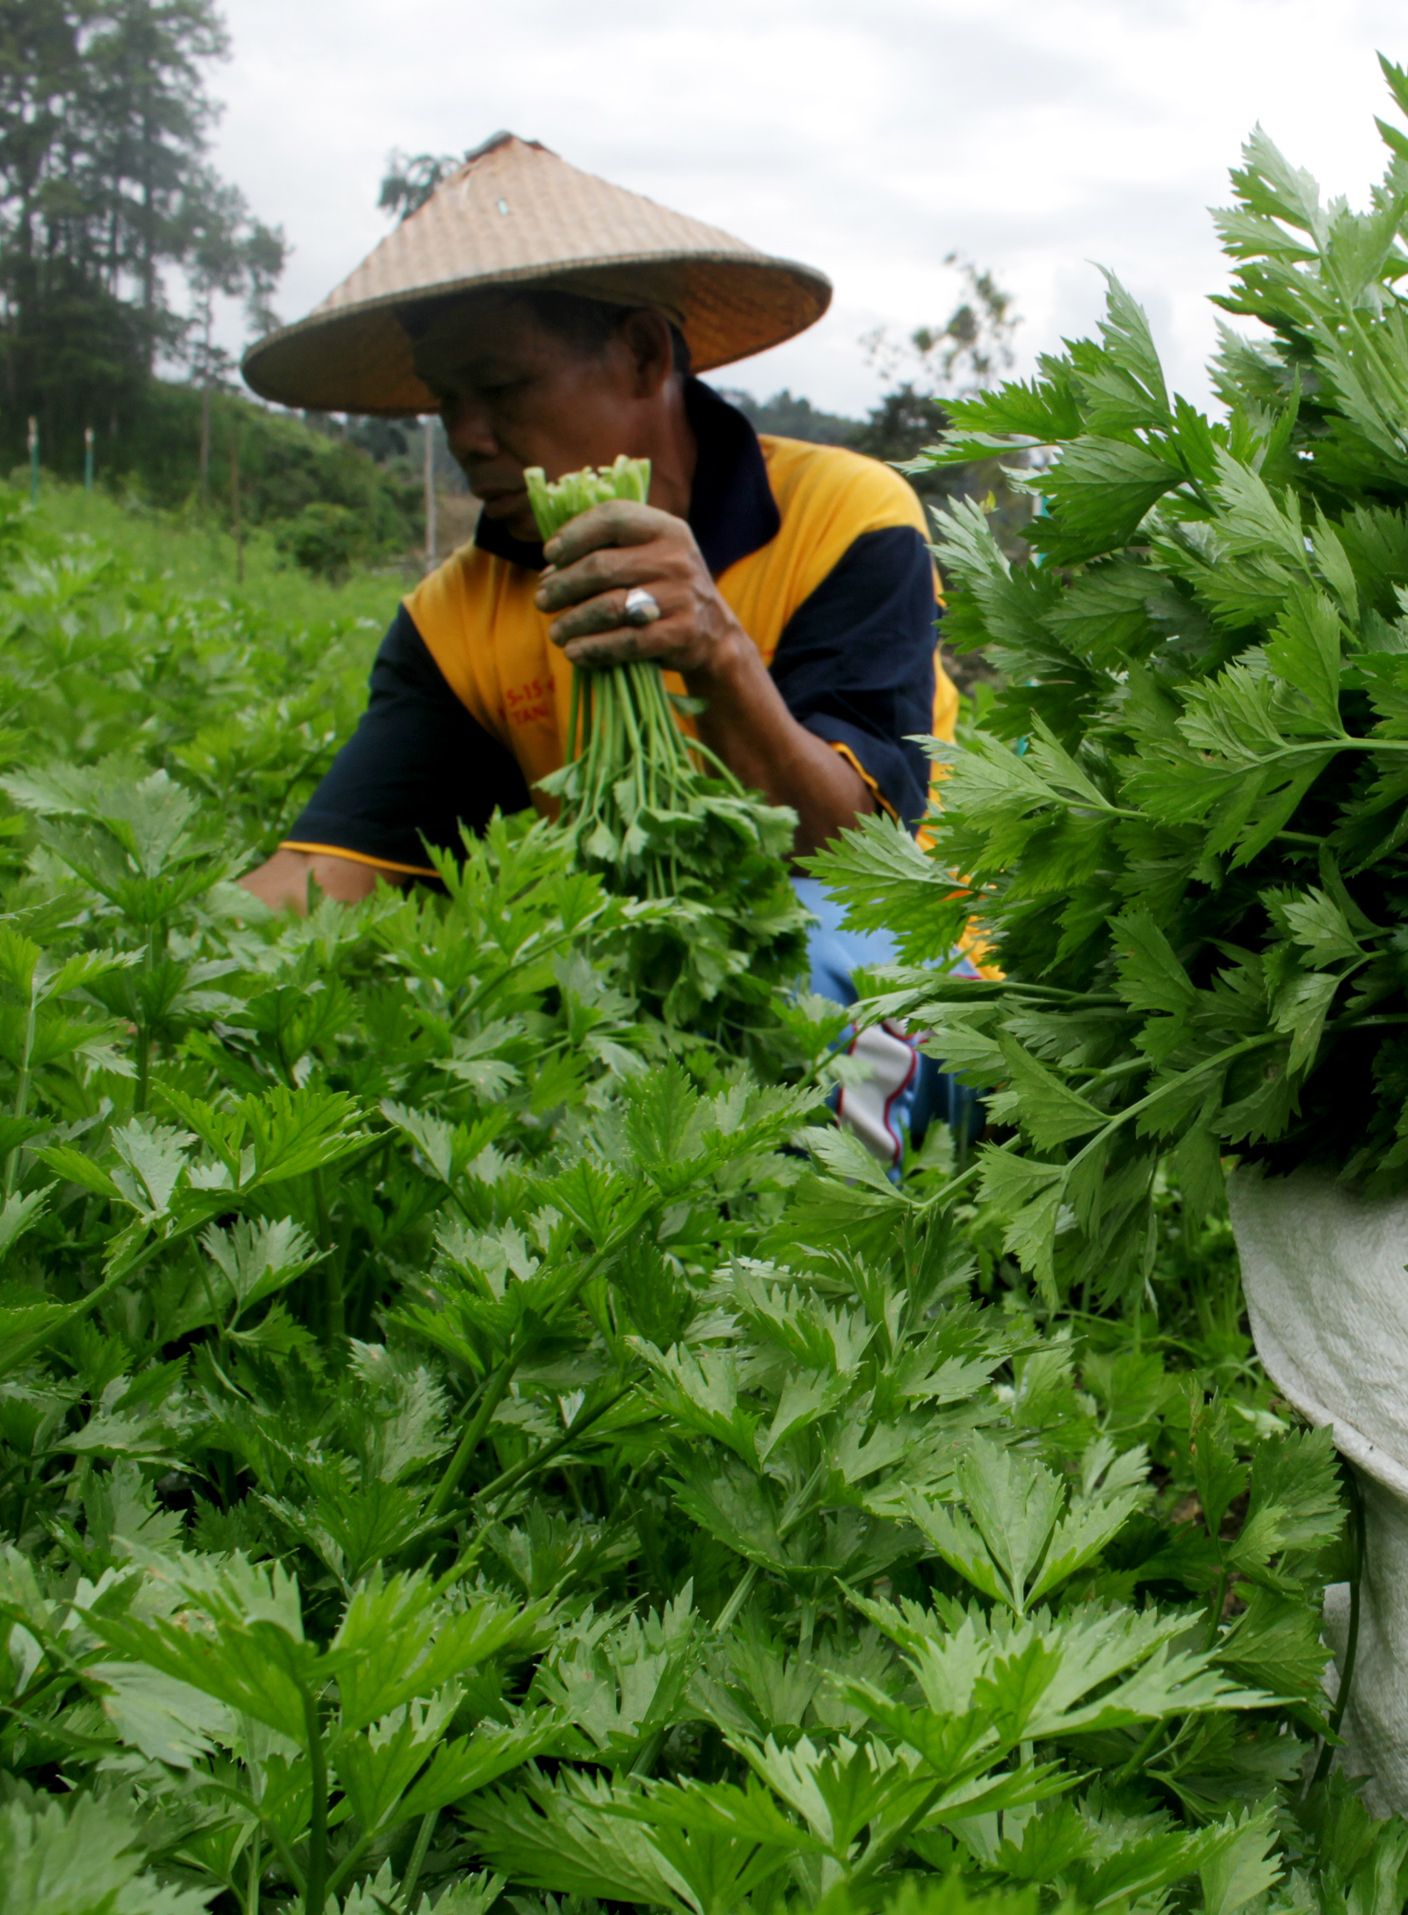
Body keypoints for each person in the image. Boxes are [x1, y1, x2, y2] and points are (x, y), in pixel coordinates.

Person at [237, 133, 969, 1162]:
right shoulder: (458, 615)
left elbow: (853, 854)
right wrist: (168, 960)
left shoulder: (842, 517)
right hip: (623, 987)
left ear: (641, 354)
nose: (470, 433)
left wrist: (716, 650)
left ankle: (838, 1276)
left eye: (500, 385)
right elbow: (333, 870)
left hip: (898, 976)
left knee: (793, 980)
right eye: (449, 399)